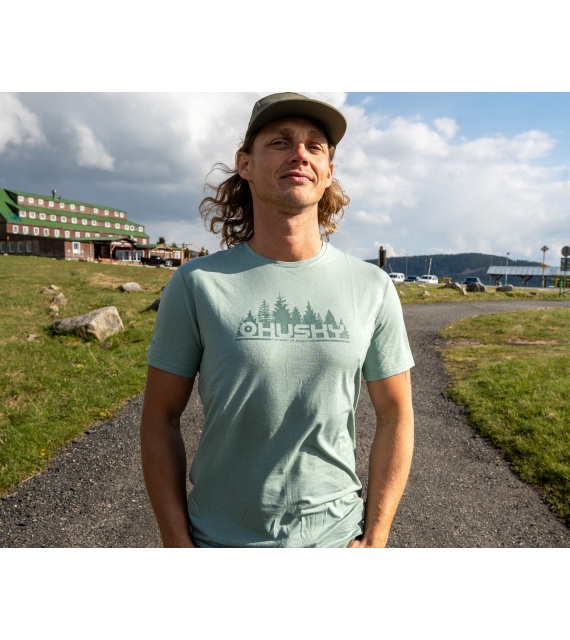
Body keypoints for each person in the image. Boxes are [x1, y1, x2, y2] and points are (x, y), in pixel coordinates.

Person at [140, 92, 415, 548]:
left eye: (314, 146)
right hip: (220, 540)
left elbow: (396, 414)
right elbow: (160, 417)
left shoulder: (372, 286)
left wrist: (376, 539)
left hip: (336, 537)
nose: (300, 154)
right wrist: (176, 542)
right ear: (245, 164)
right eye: (280, 142)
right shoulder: (197, 283)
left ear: (328, 172)